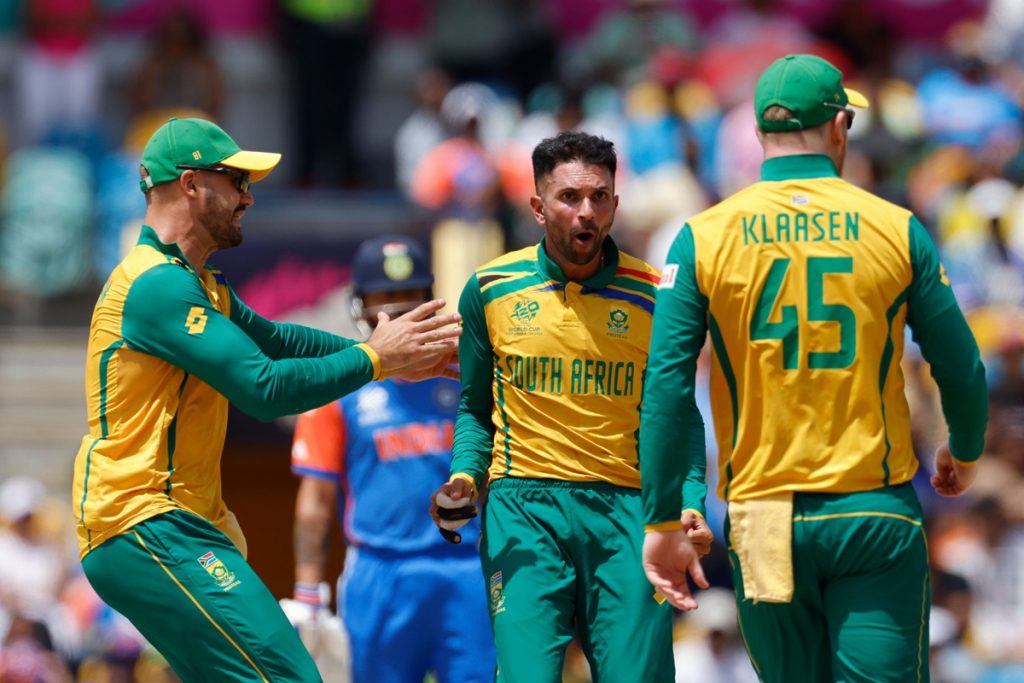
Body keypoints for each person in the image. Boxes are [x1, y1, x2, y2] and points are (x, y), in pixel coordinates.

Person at [70, 117, 461, 682]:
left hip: (169, 526)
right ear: (189, 183)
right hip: (146, 523)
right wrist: (377, 358)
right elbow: (265, 388)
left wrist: (390, 360)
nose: (248, 197)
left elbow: (282, 341)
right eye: (236, 180)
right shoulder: (156, 283)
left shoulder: (194, 282)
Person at [639, 54, 989, 683]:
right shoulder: (895, 227)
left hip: (764, 515)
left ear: (757, 133)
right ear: (839, 125)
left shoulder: (701, 236)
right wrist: (963, 449)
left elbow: (665, 387)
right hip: (871, 511)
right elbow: (960, 366)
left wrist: (666, 513)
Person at [430, 130, 712, 683]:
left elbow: (681, 415)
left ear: (615, 202)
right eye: (569, 198)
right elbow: (475, 409)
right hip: (524, 507)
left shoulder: (657, 294)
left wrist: (692, 501)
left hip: (631, 512)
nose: (587, 212)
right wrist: (465, 475)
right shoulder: (490, 288)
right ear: (537, 207)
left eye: (600, 197)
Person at [285, 234, 495, 683]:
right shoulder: (339, 384)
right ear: (359, 304)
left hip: (466, 570)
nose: (397, 308)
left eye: (409, 294)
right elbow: (315, 499)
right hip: (380, 573)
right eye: (384, 297)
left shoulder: (466, 372)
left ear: (429, 298)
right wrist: (307, 589)